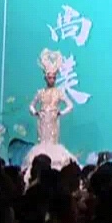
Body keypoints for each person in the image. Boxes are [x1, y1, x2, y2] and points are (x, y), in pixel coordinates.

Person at [21, 49, 77, 185]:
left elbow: (70, 105)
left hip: (53, 119)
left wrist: (60, 113)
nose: (51, 79)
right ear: (45, 78)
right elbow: (31, 105)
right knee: (42, 143)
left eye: (53, 77)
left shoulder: (59, 92)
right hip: (43, 119)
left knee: (52, 142)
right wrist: (36, 113)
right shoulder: (41, 92)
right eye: (49, 77)